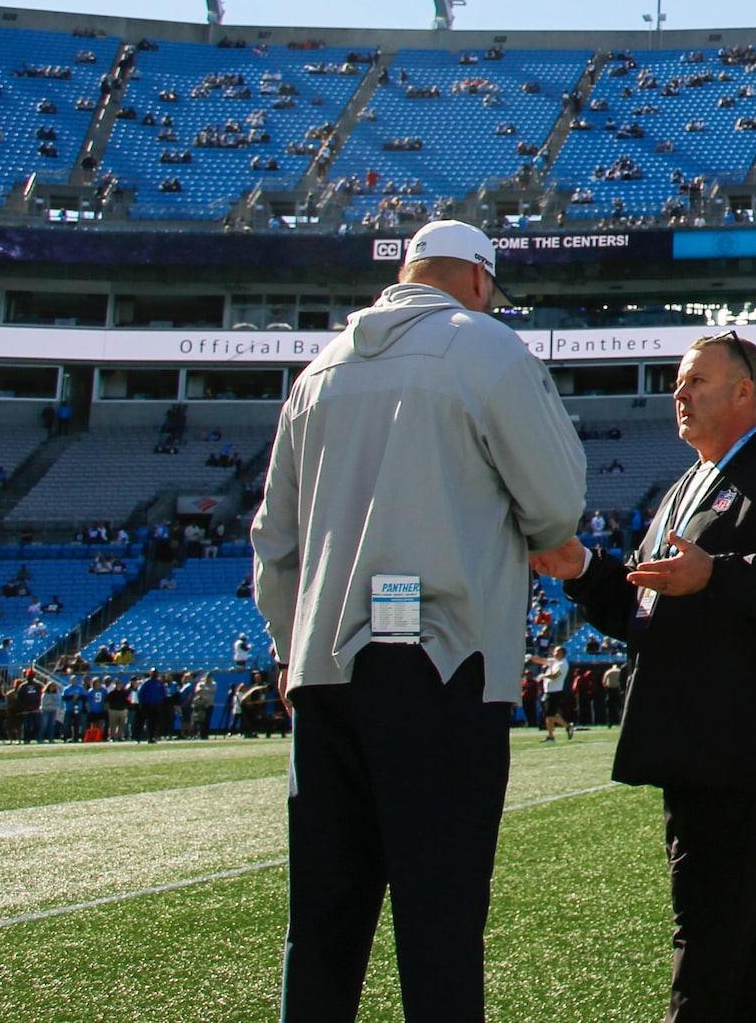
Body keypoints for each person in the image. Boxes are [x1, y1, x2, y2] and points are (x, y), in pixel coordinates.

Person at [251, 217, 589, 1023]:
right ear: (478, 280)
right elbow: (556, 504)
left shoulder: (319, 370)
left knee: (323, 921)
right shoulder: (487, 347)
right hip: (443, 664)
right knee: (439, 918)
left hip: (324, 671)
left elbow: (275, 545)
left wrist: (287, 651)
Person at [537, 333, 756, 1021]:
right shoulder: (683, 488)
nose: (679, 393)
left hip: (741, 741)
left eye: (696, 381)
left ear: (744, 391)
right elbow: (651, 610)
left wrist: (720, 575)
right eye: (678, 381)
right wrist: (585, 571)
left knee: (706, 932)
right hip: (689, 741)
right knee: (728, 936)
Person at [539, 645, 576, 740]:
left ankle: (551, 736)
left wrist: (544, 676)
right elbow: (542, 660)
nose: (554, 653)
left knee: (549, 715)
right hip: (549, 691)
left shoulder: (562, 664)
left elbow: (555, 676)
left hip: (554, 692)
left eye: (557, 651)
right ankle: (568, 726)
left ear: (562, 653)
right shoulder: (555, 662)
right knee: (551, 713)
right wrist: (530, 657)